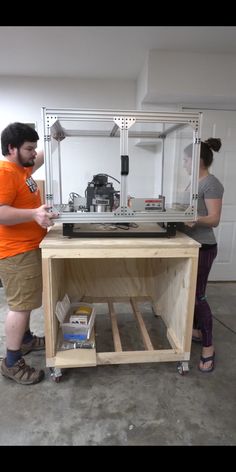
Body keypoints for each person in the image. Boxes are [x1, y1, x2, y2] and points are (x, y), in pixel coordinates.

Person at [0, 122, 58, 385]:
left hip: (30, 247)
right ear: (12, 148)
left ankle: (25, 340)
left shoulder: (22, 169)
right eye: (29, 149)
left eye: (35, 148)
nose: (34, 153)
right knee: (20, 306)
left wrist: (55, 139)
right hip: (16, 252)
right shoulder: (5, 172)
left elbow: (40, 158)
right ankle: (11, 362)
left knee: (28, 302)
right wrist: (34, 214)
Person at [180, 138, 224, 373]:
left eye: (186, 160)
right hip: (190, 244)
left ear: (198, 160)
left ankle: (208, 347)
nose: (184, 164)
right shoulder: (193, 182)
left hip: (204, 246)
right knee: (190, 293)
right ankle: (197, 331)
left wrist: (194, 219)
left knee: (198, 296)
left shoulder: (211, 183)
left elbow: (214, 219)